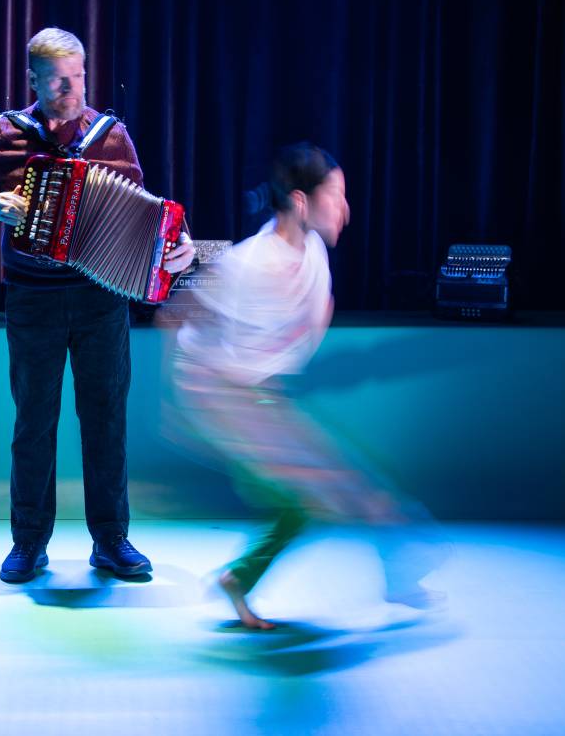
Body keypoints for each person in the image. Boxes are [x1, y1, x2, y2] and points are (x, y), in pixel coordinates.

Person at [0, 27, 194, 583]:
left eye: (78, 76)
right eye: (58, 79)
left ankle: (111, 540)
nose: (70, 88)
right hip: (31, 300)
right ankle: (29, 543)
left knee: (105, 422)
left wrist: (175, 247)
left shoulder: (111, 137)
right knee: (34, 422)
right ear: (33, 79)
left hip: (99, 299)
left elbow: (145, 219)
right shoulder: (7, 134)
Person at [167, 143, 444, 628]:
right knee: (333, 483)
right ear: (300, 202)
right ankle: (400, 561)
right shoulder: (250, 263)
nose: (345, 209)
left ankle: (241, 579)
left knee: (308, 499)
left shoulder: (311, 249)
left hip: (260, 397)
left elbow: (312, 312)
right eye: (334, 195)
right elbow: (177, 315)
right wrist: (194, 410)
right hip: (225, 396)